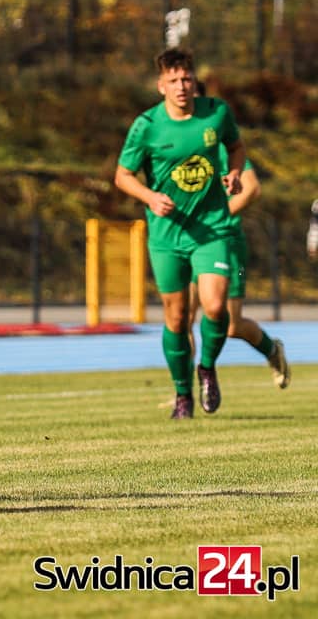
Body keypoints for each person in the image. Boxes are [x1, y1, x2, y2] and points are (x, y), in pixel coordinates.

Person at [114, 48, 245, 419]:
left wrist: (235, 172)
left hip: (212, 228)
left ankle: (207, 367)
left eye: (186, 78)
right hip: (167, 236)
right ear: (161, 86)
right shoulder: (147, 125)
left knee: (215, 306)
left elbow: (236, 147)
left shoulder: (216, 112)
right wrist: (149, 197)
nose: (181, 86)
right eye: (173, 80)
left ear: (194, 80)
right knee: (176, 317)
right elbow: (122, 175)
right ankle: (182, 394)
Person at [185, 157, 290, 388]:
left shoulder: (226, 151)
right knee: (183, 319)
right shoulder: (187, 151)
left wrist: (217, 219)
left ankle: (272, 350)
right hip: (191, 244)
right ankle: (185, 392)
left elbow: (252, 188)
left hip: (231, 251)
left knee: (232, 326)